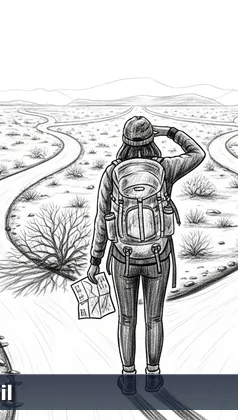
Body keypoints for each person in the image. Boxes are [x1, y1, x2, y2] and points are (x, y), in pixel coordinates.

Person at [86, 115, 205, 395]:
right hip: (158, 256)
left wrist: (95, 260)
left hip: (122, 257)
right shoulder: (164, 168)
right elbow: (197, 153)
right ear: (152, 139)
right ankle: (153, 376)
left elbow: (102, 218)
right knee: (154, 318)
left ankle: (128, 377)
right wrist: (170, 131)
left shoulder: (112, 172)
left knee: (126, 319)